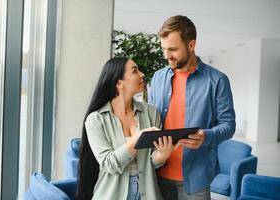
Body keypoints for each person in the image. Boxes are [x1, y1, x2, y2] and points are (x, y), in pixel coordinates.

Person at [148, 15, 236, 200]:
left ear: (191, 45)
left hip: (196, 179)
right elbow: (150, 119)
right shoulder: (157, 78)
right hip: (157, 174)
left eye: (173, 49)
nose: (166, 55)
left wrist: (207, 136)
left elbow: (228, 125)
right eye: (163, 48)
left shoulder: (217, 80)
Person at [76, 57, 179, 200]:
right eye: (135, 71)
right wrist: (137, 140)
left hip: (147, 193)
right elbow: (109, 164)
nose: (142, 74)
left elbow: (150, 162)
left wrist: (162, 155)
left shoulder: (151, 112)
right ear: (119, 83)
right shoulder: (96, 119)